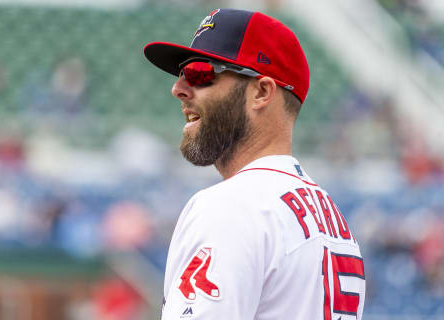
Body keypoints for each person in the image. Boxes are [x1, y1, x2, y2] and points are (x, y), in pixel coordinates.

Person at [144, 8, 365, 320]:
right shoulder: (333, 217)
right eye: (181, 74)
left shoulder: (232, 206)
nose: (179, 88)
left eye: (200, 72)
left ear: (261, 92)